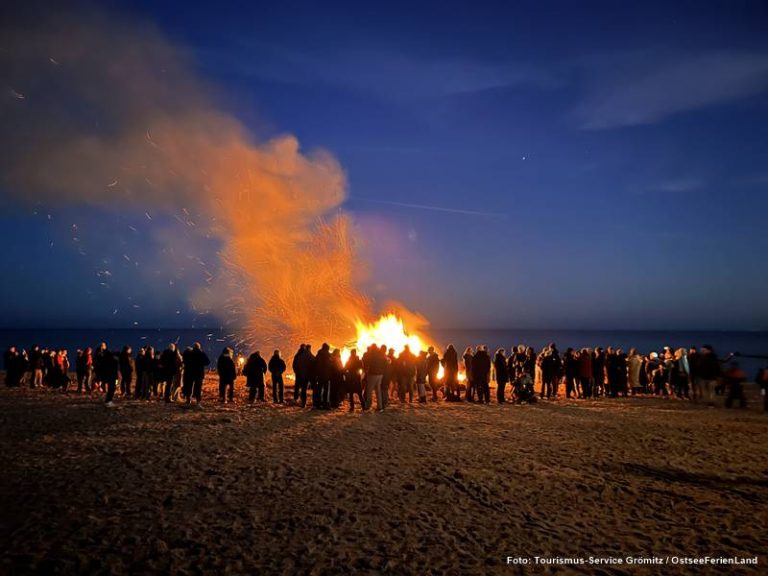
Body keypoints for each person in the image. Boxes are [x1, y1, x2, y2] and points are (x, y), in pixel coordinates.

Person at [362, 344, 386, 412]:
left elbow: (367, 362)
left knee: (369, 390)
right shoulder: (381, 354)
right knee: (378, 391)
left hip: (373, 374)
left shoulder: (372, 354)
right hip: (380, 374)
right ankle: (380, 407)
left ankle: (368, 406)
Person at [314, 343, 332, 409]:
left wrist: (316, 374)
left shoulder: (318, 354)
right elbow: (329, 365)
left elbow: (316, 365)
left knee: (319, 390)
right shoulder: (327, 355)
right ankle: (325, 404)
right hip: (326, 375)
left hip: (319, 375)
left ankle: (318, 404)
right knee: (326, 390)